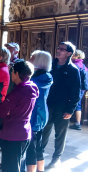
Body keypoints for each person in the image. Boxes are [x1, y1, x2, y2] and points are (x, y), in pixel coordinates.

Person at [41, 41, 81, 169]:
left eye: (62, 49)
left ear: (69, 53)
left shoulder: (73, 70)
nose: (58, 50)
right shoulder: (49, 65)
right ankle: (39, 154)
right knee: (44, 131)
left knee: (60, 134)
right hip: (47, 105)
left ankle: (56, 158)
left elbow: (75, 92)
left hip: (62, 107)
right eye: (58, 48)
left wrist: (70, 110)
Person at [0, 60, 39, 172]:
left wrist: (7, 109)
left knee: (10, 168)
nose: (11, 74)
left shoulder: (18, 92)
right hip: (24, 131)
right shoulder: (32, 87)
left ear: (16, 73)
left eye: (12, 71)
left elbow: (1, 111)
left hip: (12, 133)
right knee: (19, 164)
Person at [25, 50, 53, 172]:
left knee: (32, 147)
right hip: (38, 113)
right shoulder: (44, 76)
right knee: (38, 146)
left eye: (32, 57)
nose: (29, 58)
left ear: (39, 61)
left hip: (35, 114)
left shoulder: (40, 78)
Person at [70, 49, 88, 130]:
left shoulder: (75, 65)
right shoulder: (84, 66)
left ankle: (77, 123)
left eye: (73, 54)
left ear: (77, 56)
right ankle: (77, 123)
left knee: (76, 104)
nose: (71, 56)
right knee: (78, 104)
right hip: (82, 88)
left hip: (75, 87)